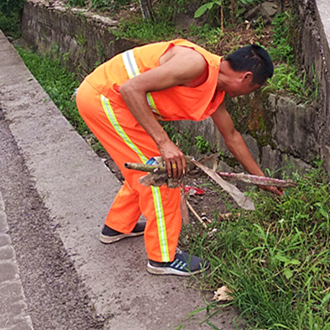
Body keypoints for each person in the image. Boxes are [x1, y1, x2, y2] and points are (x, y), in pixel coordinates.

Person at [76, 39, 283, 277]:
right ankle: (162, 258)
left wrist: (261, 179)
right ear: (245, 78)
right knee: (163, 175)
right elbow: (130, 89)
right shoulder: (195, 64)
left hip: (114, 103)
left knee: (144, 171)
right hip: (106, 100)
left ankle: (118, 226)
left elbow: (232, 136)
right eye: (254, 89)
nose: (249, 95)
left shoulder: (214, 90)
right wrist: (164, 143)